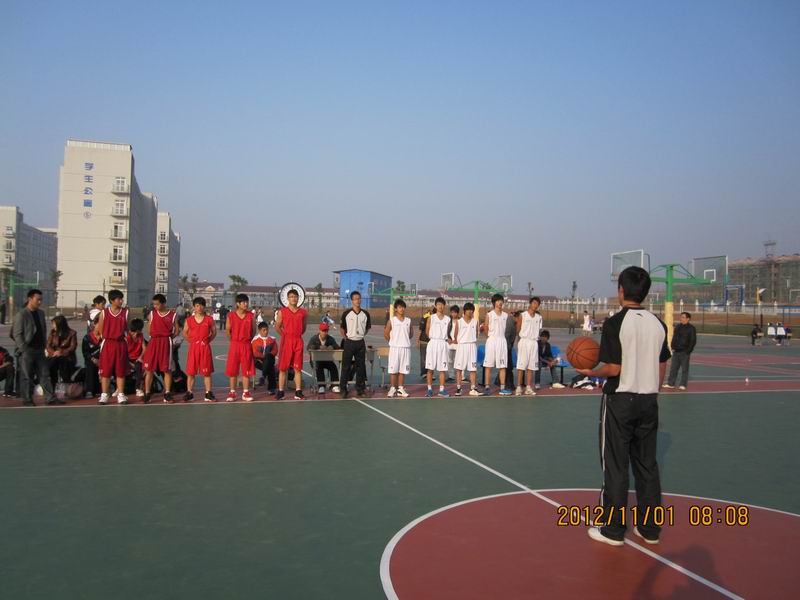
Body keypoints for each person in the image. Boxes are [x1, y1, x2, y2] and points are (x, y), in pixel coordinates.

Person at [576, 266, 671, 547]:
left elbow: (614, 368)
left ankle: (613, 529)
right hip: (649, 400)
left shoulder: (615, 323)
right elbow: (662, 364)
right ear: (645, 292)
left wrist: (591, 373)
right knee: (647, 466)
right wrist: (653, 391)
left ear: (621, 290)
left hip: (620, 401)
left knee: (616, 466)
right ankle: (650, 529)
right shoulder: (658, 324)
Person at [11, 289, 60, 406]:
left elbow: (43, 330)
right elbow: (16, 334)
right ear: (30, 299)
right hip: (27, 350)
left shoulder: (40, 313)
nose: (40, 302)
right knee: (26, 376)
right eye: (38, 299)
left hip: (39, 350)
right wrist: (23, 349)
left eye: (41, 300)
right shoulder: (21, 315)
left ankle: (50, 398)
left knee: (44, 375)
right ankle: (27, 399)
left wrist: (44, 346)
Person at [142, 294, 179, 404]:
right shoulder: (152, 314)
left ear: (163, 303)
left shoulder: (173, 315)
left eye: (157, 304)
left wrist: (168, 337)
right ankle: (147, 393)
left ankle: (167, 393)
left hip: (166, 342)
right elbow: (148, 328)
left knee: (166, 369)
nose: (155, 306)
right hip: (153, 342)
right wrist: (154, 334)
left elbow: (177, 330)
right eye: (154, 304)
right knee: (149, 369)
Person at [96, 289, 130, 405]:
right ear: (111, 300)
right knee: (106, 371)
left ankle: (121, 395)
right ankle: (104, 395)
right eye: (119, 299)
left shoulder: (126, 313)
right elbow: (100, 330)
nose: (121, 301)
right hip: (108, 344)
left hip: (120, 344)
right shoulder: (104, 313)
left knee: (120, 371)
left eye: (121, 299)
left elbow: (127, 328)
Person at [275, 289, 308, 400]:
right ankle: (281, 391)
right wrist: (285, 335)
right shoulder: (282, 311)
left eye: (295, 296)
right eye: (291, 296)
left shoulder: (303, 312)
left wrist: (296, 335)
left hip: (298, 341)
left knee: (297, 368)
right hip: (287, 341)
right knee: (283, 368)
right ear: (288, 298)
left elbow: (303, 328)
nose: (293, 298)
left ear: (298, 298)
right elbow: (277, 326)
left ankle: (298, 391)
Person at [339, 291, 371, 398]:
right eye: (356, 299)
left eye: (359, 298)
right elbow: (342, 328)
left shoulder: (365, 314)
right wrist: (346, 338)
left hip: (360, 343)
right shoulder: (346, 314)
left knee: (360, 367)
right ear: (352, 300)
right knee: (345, 367)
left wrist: (360, 336)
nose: (358, 300)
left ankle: (360, 389)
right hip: (349, 342)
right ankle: (343, 389)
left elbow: (367, 328)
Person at [184, 296, 216, 402]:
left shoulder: (209, 319)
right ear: (194, 307)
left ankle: (208, 393)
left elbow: (214, 332)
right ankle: (189, 393)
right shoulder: (189, 320)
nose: (199, 308)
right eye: (197, 305)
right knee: (191, 372)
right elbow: (185, 333)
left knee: (207, 372)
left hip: (205, 347)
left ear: (204, 306)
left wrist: (207, 341)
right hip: (193, 348)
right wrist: (192, 342)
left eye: (201, 305)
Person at [225, 293, 256, 402]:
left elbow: (254, 331)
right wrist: (234, 340)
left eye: (247, 302)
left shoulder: (251, 316)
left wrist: (247, 340)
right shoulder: (231, 316)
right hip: (235, 345)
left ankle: (245, 393)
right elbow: (228, 331)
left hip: (246, 344)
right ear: (238, 304)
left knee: (246, 370)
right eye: (243, 302)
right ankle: (232, 392)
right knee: (233, 370)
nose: (246, 304)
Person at [482, 293, 511, 396]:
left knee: (502, 366)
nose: (500, 302)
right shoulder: (489, 314)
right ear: (494, 303)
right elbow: (485, 327)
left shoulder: (506, 315)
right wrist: (490, 337)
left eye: (501, 301)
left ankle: (502, 388)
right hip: (492, 341)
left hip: (502, 341)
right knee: (488, 365)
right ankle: (487, 387)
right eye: (498, 301)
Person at [385, 299, 412, 398]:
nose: (402, 309)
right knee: (393, 370)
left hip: (405, 348)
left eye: (403, 307)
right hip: (395, 349)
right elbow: (386, 334)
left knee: (402, 370)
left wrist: (404, 340)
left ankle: (400, 389)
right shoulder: (391, 321)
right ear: (396, 309)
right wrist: (393, 342)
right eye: (400, 307)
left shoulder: (408, 320)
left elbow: (411, 334)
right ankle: (393, 388)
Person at [515, 297, 542, 396]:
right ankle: (518, 387)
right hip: (524, 341)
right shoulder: (522, 315)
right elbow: (518, 329)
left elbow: (539, 330)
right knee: (521, 366)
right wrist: (519, 342)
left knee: (531, 366)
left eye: (537, 304)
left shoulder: (539, 317)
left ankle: (528, 387)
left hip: (534, 343)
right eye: (534, 303)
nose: (535, 305)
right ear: (530, 304)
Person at [663, 312, 697, 390]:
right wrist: (672, 346)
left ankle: (683, 384)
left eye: (683, 317)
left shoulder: (691, 328)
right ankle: (671, 383)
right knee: (673, 368)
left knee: (684, 369)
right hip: (676, 351)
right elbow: (674, 337)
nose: (681, 318)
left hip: (685, 352)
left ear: (688, 319)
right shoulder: (678, 326)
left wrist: (688, 351)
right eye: (681, 317)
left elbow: (693, 341)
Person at [425, 297, 451, 397]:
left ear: (444, 306)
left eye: (442, 304)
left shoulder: (448, 319)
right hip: (433, 343)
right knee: (430, 368)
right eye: (438, 304)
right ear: (435, 306)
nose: (440, 306)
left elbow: (449, 332)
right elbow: (427, 331)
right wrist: (434, 338)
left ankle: (441, 390)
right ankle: (429, 389)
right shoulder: (431, 318)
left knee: (442, 369)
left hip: (443, 344)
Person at [453, 302, 480, 396]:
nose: (470, 311)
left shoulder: (475, 322)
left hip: (472, 346)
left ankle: (473, 388)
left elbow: (476, 334)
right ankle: (458, 388)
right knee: (459, 369)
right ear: (464, 311)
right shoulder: (459, 322)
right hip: (462, 346)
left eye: (472, 310)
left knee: (473, 368)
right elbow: (455, 335)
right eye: (468, 309)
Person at [46, 315, 77, 392]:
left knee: (61, 362)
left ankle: (65, 384)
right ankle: (52, 386)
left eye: (54, 324)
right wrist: (54, 352)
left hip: (67, 356)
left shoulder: (72, 333)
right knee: (52, 363)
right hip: (54, 356)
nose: (52, 326)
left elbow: (72, 347)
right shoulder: (52, 332)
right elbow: (48, 345)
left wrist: (61, 352)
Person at [307, 322, 339, 395]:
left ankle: (335, 385)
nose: (325, 333)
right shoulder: (314, 338)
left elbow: (337, 346)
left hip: (327, 360)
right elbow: (309, 347)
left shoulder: (330, 339)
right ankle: (321, 386)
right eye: (323, 331)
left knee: (333, 367)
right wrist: (318, 347)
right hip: (316, 360)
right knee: (318, 367)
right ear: (320, 331)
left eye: (326, 331)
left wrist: (332, 347)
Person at [253, 321, 278, 393]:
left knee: (269, 359)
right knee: (270, 368)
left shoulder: (272, 339)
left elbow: (275, 350)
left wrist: (267, 357)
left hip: (269, 359)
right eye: (264, 330)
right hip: (258, 361)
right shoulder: (255, 340)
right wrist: (264, 357)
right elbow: (255, 353)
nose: (266, 332)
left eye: (267, 330)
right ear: (259, 330)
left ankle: (263, 376)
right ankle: (271, 388)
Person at [81, 314, 101, 398]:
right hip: (91, 360)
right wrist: (93, 359)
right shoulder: (87, 338)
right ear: (94, 324)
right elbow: (85, 353)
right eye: (99, 324)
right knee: (90, 366)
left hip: (103, 360)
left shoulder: (105, 338)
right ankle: (89, 390)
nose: (101, 326)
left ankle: (101, 390)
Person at [127, 318, 146, 399]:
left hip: (137, 358)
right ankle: (119, 389)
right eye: (132, 331)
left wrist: (140, 357)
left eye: (136, 332)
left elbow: (144, 348)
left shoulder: (140, 335)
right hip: (126, 359)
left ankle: (138, 389)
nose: (134, 334)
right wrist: (129, 363)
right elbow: (123, 353)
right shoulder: (126, 337)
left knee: (139, 366)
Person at [503, 310, 518, 388]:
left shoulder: (514, 323)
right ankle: (508, 384)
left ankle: (508, 383)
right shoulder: (510, 322)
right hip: (506, 347)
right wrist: (508, 347)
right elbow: (507, 335)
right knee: (508, 366)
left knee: (509, 366)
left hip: (509, 347)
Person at [446, 305, 461, 382]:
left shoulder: (461, 321)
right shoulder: (448, 321)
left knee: (459, 360)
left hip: (458, 343)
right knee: (449, 361)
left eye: (455, 312)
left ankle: (462, 376)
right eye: (452, 312)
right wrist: (447, 339)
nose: (453, 314)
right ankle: (451, 375)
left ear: (458, 313)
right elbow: (445, 331)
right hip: (450, 343)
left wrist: (457, 340)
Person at [417, 307, 432, 379]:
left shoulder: (435, 318)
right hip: (424, 340)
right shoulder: (425, 317)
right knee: (423, 357)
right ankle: (424, 373)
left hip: (432, 341)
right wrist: (418, 340)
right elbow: (420, 329)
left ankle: (430, 373)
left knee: (431, 358)